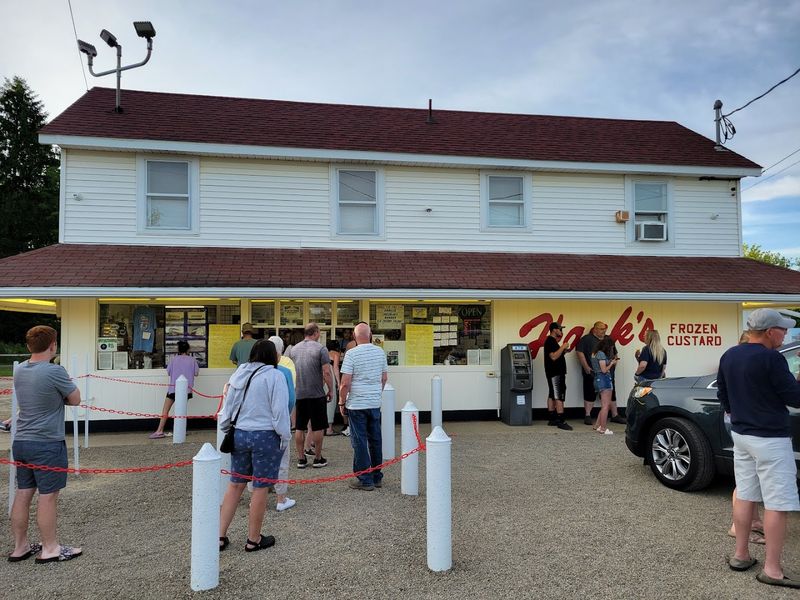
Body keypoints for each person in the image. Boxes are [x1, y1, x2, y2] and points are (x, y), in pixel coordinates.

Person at [717, 308, 800, 588]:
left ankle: (741, 555)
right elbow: (795, 397)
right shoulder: (772, 359)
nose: (785, 334)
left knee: (746, 494)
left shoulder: (730, 354)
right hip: (771, 440)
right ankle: (773, 570)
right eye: (782, 329)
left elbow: (723, 394)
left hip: (742, 435)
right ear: (769, 332)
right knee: (777, 502)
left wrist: (739, 414)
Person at [8, 325, 82, 563]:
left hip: (22, 441)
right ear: (53, 345)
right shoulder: (55, 371)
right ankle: (50, 548)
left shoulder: (20, 371)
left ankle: (20, 547)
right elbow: (75, 398)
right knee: (47, 496)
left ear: (29, 346)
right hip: (47, 442)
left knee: (22, 493)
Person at [218, 339, 290, 552]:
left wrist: (225, 428)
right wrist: (284, 437)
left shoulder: (240, 373)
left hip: (239, 434)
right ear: (271, 356)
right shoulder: (275, 376)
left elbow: (228, 404)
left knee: (235, 484)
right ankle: (253, 538)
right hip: (266, 436)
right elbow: (280, 412)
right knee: (260, 487)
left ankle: (219, 536)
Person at [339, 322, 388, 491]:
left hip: (357, 403)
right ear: (371, 334)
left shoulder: (351, 354)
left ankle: (364, 478)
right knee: (375, 439)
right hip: (374, 403)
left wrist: (341, 401)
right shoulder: (380, 352)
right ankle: (377, 476)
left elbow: (345, 383)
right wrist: (376, 393)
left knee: (359, 441)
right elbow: (384, 378)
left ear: (354, 336)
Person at [727, 330, 765, 545]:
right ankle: (737, 526)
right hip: (748, 425)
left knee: (750, 475)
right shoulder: (751, 363)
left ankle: (754, 520)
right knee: (747, 480)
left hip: (737, 421)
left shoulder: (733, 360)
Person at [286, 323, 334, 468]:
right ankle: (318, 458)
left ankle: (301, 459)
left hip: (299, 393)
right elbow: (326, 372)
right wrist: (331, 389)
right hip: (316, 393)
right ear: (316, 333)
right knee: (318, 426)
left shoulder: (294, 349)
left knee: (300, 427)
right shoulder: (321, 349)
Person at [267, 335, 297, 512]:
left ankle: (257, 495)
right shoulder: (284, 372)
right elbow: (291, 399)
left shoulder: (251, 371)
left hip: (258, 424)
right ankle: (281, 498)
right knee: (281, 459)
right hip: (279, 421)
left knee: (259, 460)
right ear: (279, 353)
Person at [576, 321, 626, 426]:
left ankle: (615, 415)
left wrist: (613, 366)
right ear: (595, 329)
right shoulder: (586, 339)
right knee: (589, 393)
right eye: (601, 329)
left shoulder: (608, 339)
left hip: (608, 373)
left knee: (611, 393)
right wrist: (586, 367)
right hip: (592, 372)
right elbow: (579, 352)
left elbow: (615, 353)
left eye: (605, 329)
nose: (604, 331)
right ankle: (588, 415)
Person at [149, 340, 199, 439]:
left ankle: (159, 431)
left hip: (173, 389)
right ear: (188, 349)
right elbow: (196, 373)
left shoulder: (173, 359)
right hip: (186, 390)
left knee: (165, 410)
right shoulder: (192, 360)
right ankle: (180, 431)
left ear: (178, 349)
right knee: (181, 411)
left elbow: (168, 372)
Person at [543, 322, 573, 430]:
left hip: (553, 372)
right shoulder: (550, 341)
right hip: (555, 373)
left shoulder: (552, 342)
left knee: (552, 394)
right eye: (560, 329)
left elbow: (556, 354)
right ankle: (561, 420)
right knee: (559, 394)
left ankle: (552, 418)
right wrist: (563, 346)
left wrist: (563, 351)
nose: (561, 331)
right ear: (554, 330)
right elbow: (554, 357)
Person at [590, 336, 619, 435]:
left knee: (604, 405)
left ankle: (597, 425)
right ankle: (603, 428)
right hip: (604, 379)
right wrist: (612, 363)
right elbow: (604, 370)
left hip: (597, 379)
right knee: (606, 406)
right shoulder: (601, 354)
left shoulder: (595, 353)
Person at [324, 339, 342, 436]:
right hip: (330, 377)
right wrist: (339, 383)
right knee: (331, 402)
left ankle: (322, 427)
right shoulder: (336, 354)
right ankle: (329, 429)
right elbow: (335, 368)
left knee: (322, 403)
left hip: (322, 378)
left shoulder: (323, 353)